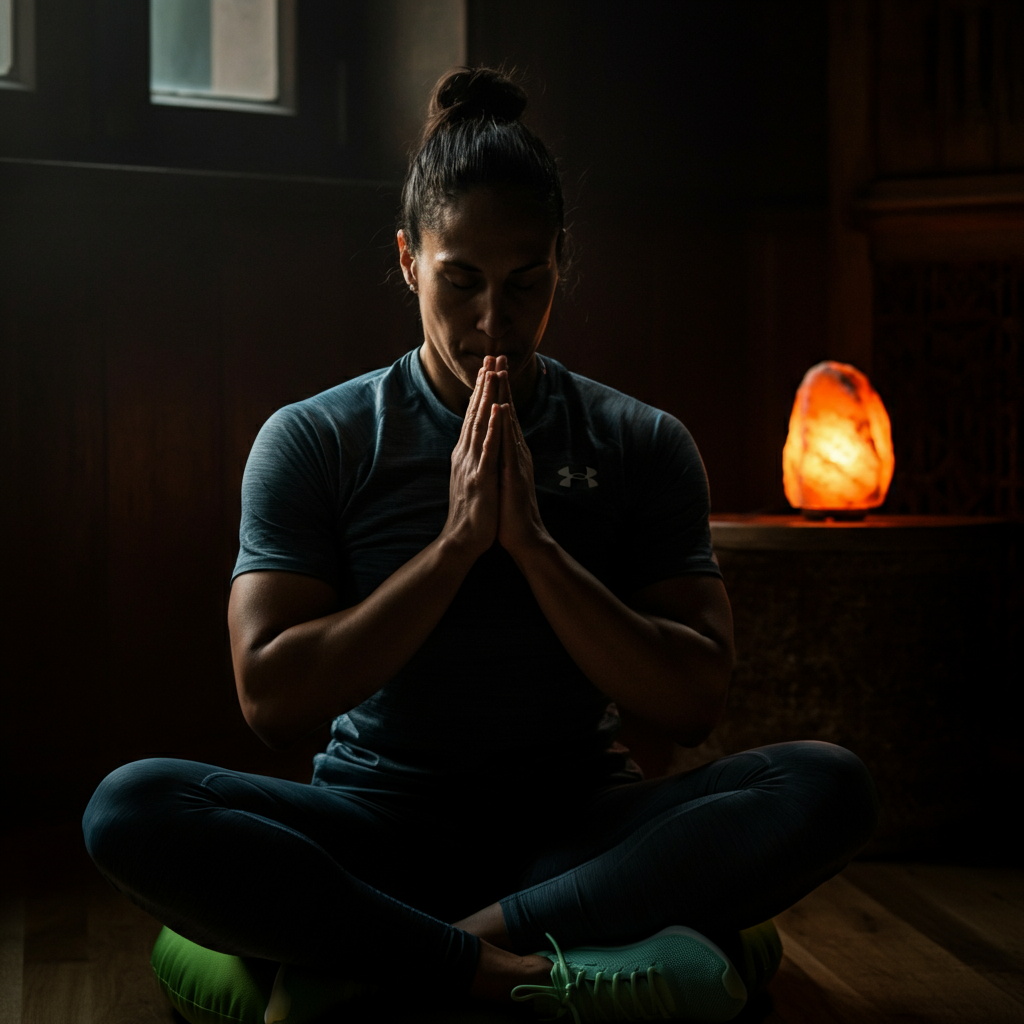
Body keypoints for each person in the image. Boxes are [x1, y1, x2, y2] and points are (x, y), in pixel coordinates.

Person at [83, 67, 878, 1023]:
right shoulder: (316, 439)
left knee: (825, 785)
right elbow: (273, 700)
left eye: (525, 282)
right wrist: (457, 546)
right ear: (410, 259)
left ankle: (466, 940)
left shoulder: (641, 442)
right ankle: (479, 957)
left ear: (560, 263)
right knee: (129, 808)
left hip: (578, 828)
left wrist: (536, 549)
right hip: (375, 827)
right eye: (460, 280)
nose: (493, 319)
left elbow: (694, 699)